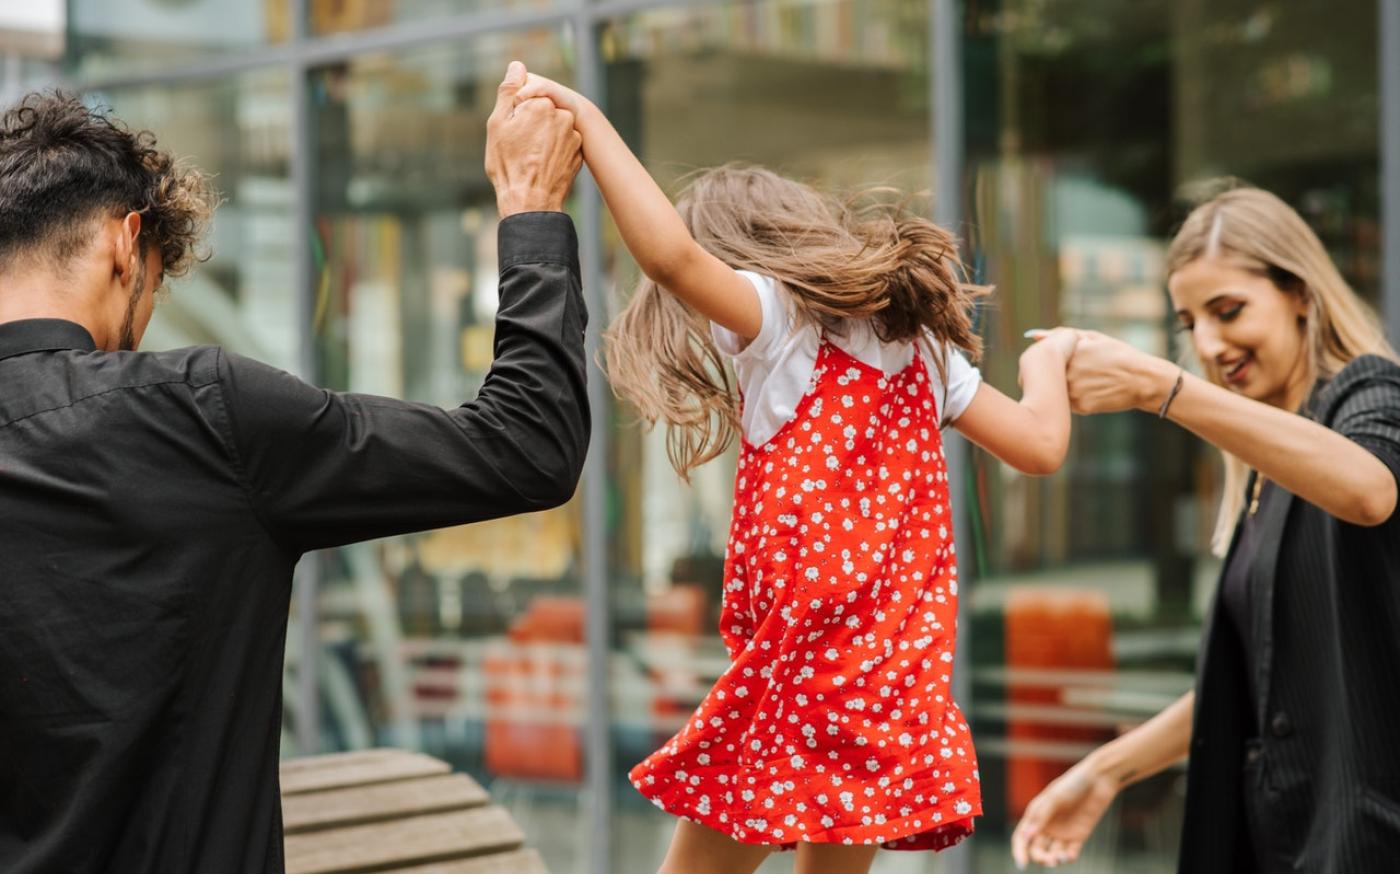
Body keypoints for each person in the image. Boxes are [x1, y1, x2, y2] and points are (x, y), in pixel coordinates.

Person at [0, 63, 586, 874]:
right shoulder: (203, 415)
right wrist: (531, 209)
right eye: (154, 290)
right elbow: (526, 444)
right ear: (124, 244)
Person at [512, 74, 1079, 874]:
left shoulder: (782, 323)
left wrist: (586, 116)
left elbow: (670, 257)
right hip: (886, 685)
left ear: (747, 258)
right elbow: (1042, 446)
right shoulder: (922, 350)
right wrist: (1051, 359)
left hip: (801, 680)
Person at [1010, 187, 1400, 873]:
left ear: (1300, 293)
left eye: (1229, 310)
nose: (1212, 345)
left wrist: (1158, 387)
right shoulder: (1266, 470)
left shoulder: (1369, 392)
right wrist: (1106, 770)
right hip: (1288, 837)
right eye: (1190, 324)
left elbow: (1370, 490)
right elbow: (1254, 678)